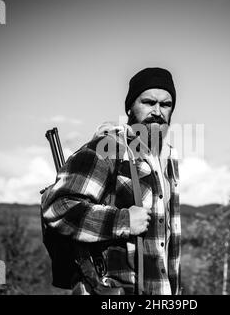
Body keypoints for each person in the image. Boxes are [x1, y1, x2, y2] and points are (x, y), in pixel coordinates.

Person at [41, 67, 181, 295]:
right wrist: (122, 221)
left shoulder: (168, 160)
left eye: (165, 104)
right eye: (148, 102)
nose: (157, 111)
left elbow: (169, 243)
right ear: (129, 107)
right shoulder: (109, 147)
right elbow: (58, 207)